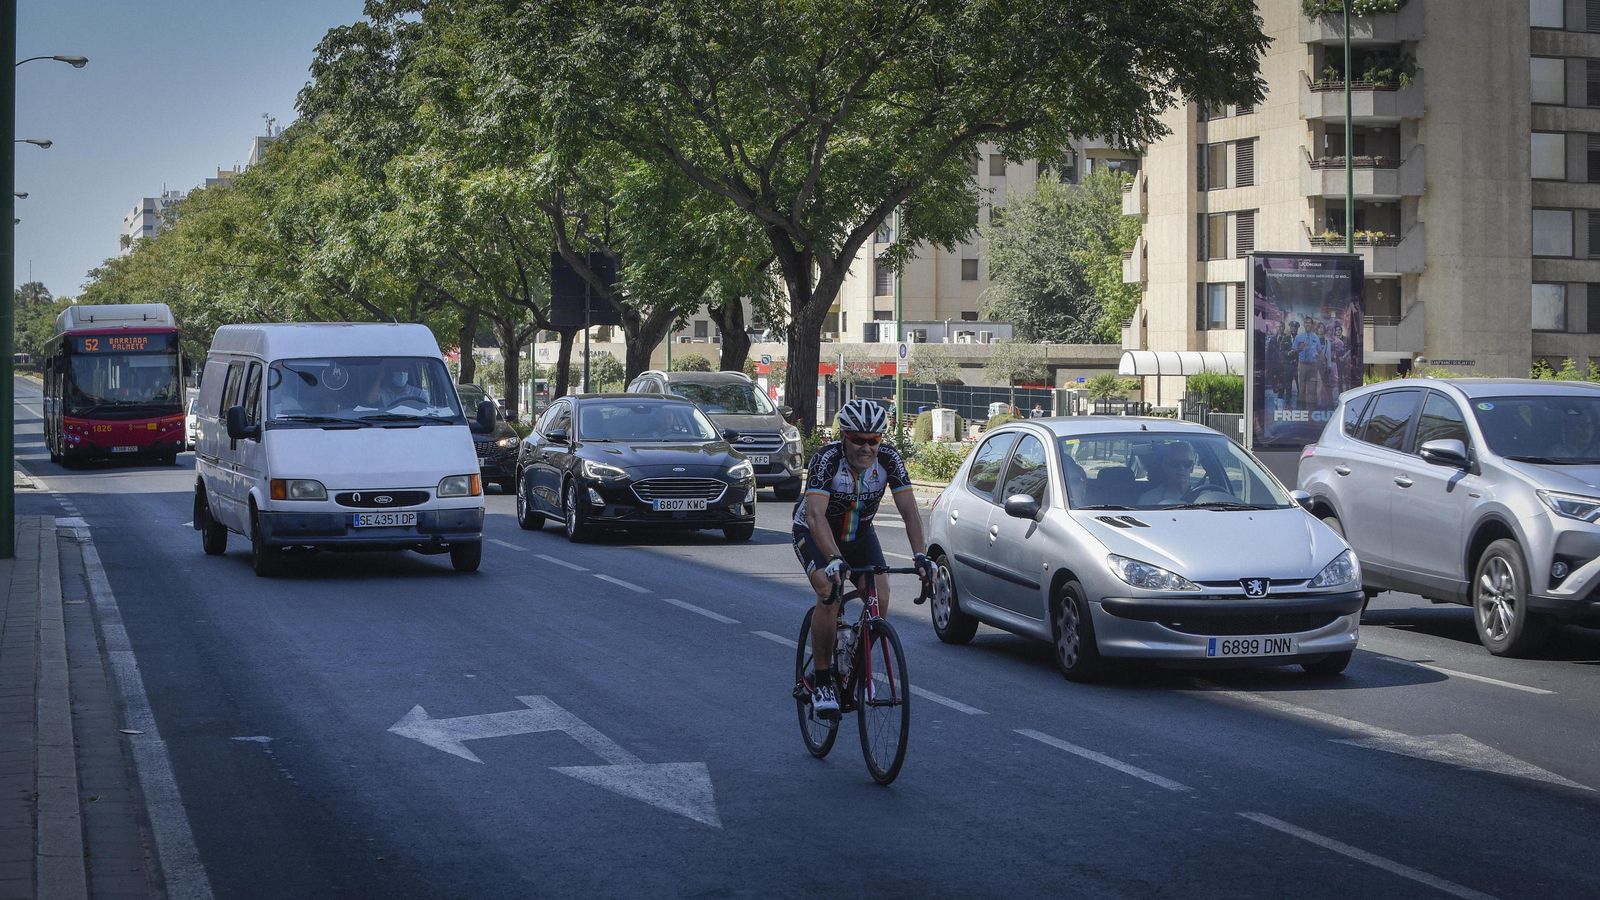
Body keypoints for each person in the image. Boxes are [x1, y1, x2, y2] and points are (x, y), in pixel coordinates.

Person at [792, 398, 933, 720]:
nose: (866, 448)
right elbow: (815, 516)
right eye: (858, 439)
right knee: (830, 590)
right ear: (844, 436)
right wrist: (833, 558)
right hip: (815, 532)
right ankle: (824, 678)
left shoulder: (890, 459)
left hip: (859, 536)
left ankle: (854, 656)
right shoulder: (827, 460)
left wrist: (920, 555)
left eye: (874, 440)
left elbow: (910, 511)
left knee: (880, 596)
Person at [1137, 442, 1199, 506]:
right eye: (1175, 463)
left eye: (1187, 463)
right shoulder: (1149, 500)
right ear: (1165, 466)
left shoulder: (1204, 496)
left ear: (1192, 468)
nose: (1181, 468)